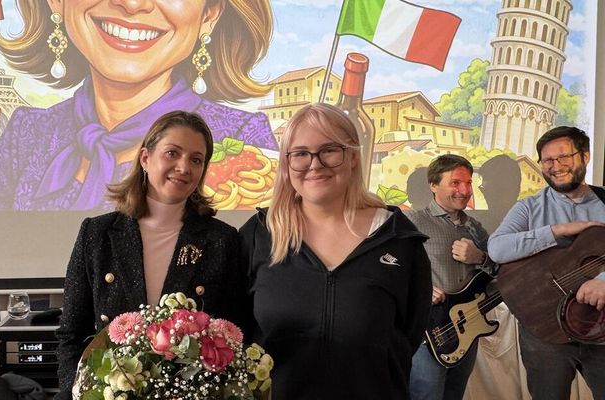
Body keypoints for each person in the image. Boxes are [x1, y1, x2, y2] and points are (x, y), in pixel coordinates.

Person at [0, 0, 277, 211]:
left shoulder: (242, 141)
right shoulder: (28, 132)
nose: (132, 3)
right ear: (56, 2)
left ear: (209, 14)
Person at [239, 103, 432, 399]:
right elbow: (236, 333)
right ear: (286, 165)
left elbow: (409, 333)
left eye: (329, 150)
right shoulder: (258, 235)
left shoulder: (400, 242)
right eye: (301, 154)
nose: (315, 164)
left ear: (353, 157)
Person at [55, 111, 244, 400]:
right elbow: (71, 334)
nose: (183, 167)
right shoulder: (97, 233)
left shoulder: (221, 239)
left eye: (196, 159)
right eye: (172, 153)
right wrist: (80, 392)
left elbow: (233, 333)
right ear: (145, 158)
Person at [488, 126, 605, 399]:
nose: (556, 166)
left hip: (602, 332)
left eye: (564, 157)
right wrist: (556, 231)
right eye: (548, 160)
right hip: (543, 330)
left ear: (585, 156)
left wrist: (602, 281)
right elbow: (497, 248)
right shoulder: (527, 208)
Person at [406, 155, 498, 400]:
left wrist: (479, 257)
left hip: (468, 328)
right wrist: (420, 289)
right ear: (433, 185)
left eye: (468, 183)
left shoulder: (475, 228)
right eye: (456, 183)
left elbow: (499, 271)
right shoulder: (412, 222)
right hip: (428, 330)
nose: (465, 190)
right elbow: (388, 270)